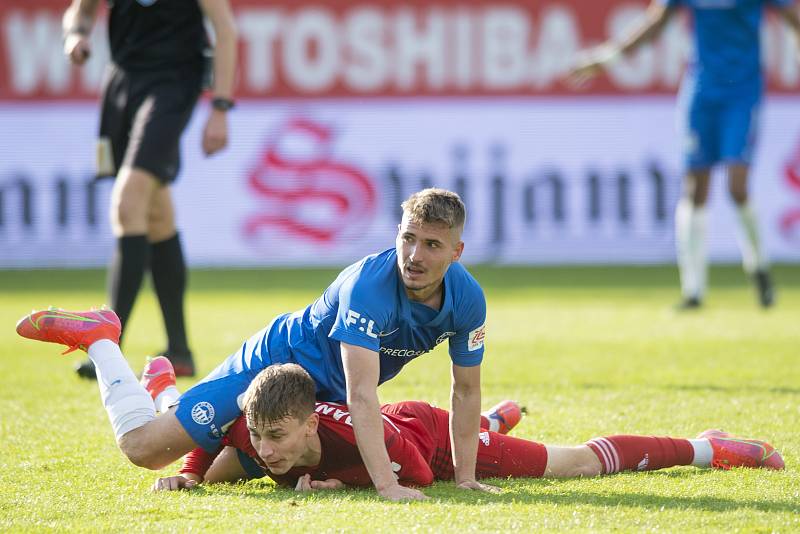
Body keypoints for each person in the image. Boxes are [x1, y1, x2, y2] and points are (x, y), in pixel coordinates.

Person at [16, 188, 492, 501]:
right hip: (270, 370)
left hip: (317, 396)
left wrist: (467, 476)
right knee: (144, 449)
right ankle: (101, 339)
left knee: (246, 464)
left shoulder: (468, 301)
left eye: (432, 244)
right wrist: (387, 487)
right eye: (408, 238)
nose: (413, 254)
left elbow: (466, 391)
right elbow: (362, 394)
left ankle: (165, 392)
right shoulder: (369, 286)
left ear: (457, 251)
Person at [149, 362, 783, 493]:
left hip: (432, 439)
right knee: (221, 475)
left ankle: (710, 448)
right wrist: (186, 474)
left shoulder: (352, 441)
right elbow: (218, 437)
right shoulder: (263, 432)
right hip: (394, 431)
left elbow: (419, 475)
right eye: (261, 438)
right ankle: (159, 384)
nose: (266, 449)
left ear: (313, 424)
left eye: (278, 439)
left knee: (573, 464)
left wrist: (349, 485)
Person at [569, 0, 800, 309]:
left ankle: (759, 271)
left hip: (742, 92)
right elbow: (656, 22)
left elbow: (792, 17)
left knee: (737, 186)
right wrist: (608, 56)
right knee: (694, 189)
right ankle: (693, 291)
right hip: (702, 90)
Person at [62, 0, 238, 379]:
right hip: (122, 83)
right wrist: (76, 33)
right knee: (155, 215)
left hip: (173, 84)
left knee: (127, 203)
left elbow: (224, 29)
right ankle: (180, 349)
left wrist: (220, 107)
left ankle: (106, 347)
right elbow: (81, 10)